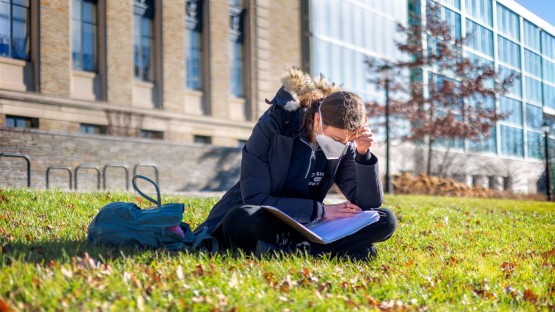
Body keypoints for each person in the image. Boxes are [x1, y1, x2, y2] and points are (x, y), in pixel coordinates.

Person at [193, 67, 397, 260]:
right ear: (318, 120)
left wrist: (363, 154)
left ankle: (288, 251)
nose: (342, 145)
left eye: (348, 141)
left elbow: (367, 203)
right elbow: (255, 198)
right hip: (269, 218)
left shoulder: (346, 145)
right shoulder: (274, 125)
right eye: (337, 139)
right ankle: (331, 250)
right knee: (239, 218)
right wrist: (321, 211)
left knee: (384, 219)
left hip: (312, 225)